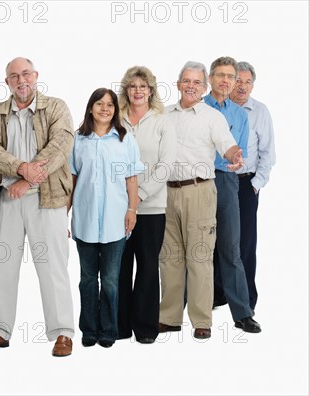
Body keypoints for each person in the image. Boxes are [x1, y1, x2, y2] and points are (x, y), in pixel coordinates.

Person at [0, 57, 76, 357]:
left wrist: (28, 180)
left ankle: (62, 333)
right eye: (14, 76)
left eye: (26, 74)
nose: (21, 80)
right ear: (6, 81)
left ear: (36, 76)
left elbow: (60, 147)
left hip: (47, 199)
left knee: (52, 266)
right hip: (8, 198)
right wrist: (22, 169)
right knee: (4, 265)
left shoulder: (56, 107)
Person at [159, 61, 244, 340]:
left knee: (199, 255)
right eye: (187, 81)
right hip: (166, 192)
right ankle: (170, 317)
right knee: (169, 257)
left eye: (197, 82)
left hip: (199, 191)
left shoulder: (212, 117)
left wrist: (235, 156)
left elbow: (227, 144)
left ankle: (201, 320)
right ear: (178, 84)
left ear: (204, 87)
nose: (191, 86)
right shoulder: (164, 115)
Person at [69, 88, 144, 348]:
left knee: (111, 281)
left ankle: (109, 330)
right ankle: (89, 330)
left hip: (116, 222)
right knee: (87, 280)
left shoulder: (125, 140)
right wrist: (64, 217)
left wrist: (132, 210)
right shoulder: (78, 140)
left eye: (110, 105)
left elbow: (131, 179)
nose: (105, 108)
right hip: (85, 221)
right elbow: (73, 179)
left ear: (115, 109)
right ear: (90, 108)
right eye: (99, 104)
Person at [117, 66, 177, 344]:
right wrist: (125, 200)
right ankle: (119, 326)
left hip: (151, 208)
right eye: (133, 86)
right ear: (126, 90)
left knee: (148, 267)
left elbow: (166, 165)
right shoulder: (115, 119)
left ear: (151, 90)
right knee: (119, 267)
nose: (138, 91)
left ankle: (145, 328)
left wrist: (138, 195)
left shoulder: (162, 121)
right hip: (117, 207)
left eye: (143, 86)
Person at [204, 56, 261, 334]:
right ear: (211, 78)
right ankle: (191, 306)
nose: (226, 81)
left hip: (227, 180)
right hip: (198, 180)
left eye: (231, 76)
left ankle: (242, 313)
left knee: (231, 247)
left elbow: (235, 152)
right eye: (221, 75)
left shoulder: (240, 115)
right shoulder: (197, 107)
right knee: (195, 248)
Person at [229, 61, 276, 311]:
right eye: (238, 81)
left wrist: (256, 185)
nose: (243, 86)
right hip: (218, 182)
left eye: (248, 82)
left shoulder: (259, 111)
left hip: (246, 185)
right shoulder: (216, 108)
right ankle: (218, 293)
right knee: (216, 240)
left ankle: (246, 300)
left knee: (245, 243)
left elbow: (269, 153)